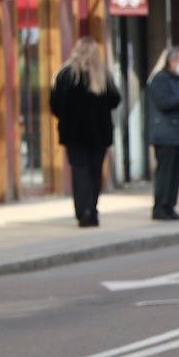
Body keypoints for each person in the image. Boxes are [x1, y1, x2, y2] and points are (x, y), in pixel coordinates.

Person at [49, 36, 120, 228]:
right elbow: (115, 100)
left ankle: (83, 211)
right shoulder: (102, 74)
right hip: (99, 133)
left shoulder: (65, 75)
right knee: (95, 172)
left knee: (79, 172)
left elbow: (55, 105)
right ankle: (92, 209)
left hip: (74, 133)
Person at [146, 45, 179, 220]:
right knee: (165, 174)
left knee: (175, 174)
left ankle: (170, 206)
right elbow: (164, 103)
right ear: (172, 61)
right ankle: (160, 207)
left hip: (178, 135)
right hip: (165, 134)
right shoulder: (160, 79)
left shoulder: (178, 79)